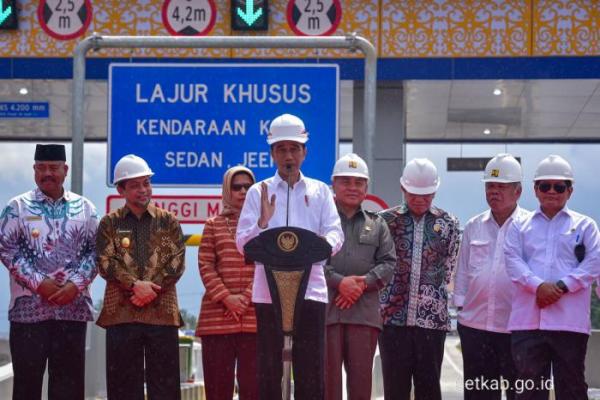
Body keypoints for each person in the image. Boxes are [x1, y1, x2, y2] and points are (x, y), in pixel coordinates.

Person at [236, 113, 344, 400]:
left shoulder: (321, 191)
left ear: (305, 152)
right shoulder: (258, 192)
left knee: (311, 368)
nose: (288, 155)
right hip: (267, 292)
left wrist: (323, 244)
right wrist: (262, 222)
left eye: (294, 148)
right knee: (268, 367)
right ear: (272, 153)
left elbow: (336, 234)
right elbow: (242, 244)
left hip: (312, 291)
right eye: (282, 149)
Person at [0, 144, 98, 400]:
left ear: (65, 170)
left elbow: (97, 252)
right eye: (41, 168)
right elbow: (7, 249)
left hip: (72, 311)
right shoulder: (17, 207)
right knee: (26, 385)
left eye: (53, 168)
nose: (47, 173)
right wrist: (37, 283)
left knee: (69, 385)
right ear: (34, 170)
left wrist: (75, 285)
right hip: (28, 313)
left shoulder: (85, 208)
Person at [504, 154, 600, 400]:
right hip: (528, 323)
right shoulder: (518, 225)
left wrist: (561, 286)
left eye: (559, 186)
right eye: (545, 185)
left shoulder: (586, 226)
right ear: (535, 189)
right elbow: (512, 261)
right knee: (528, 391)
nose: (552, 191)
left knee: (572, 388)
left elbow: (594, 262)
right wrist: (538, 287)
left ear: (570, 191)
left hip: (569, 323)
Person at [96, 154, 186, 400]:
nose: (143, 190)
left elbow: (175, 262)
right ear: (121, 189)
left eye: (146, 183)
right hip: (122, 314)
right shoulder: (109, 224)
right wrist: (135, 285)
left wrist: (149, 289)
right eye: (135, 185)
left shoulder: (168, 222)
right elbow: (105, 262)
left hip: (162, 315)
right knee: (123, 389)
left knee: (165, 389)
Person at [378, 158, 460, 400]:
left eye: (426, 195)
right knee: (394, 389)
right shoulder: (385, 221)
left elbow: (450, 267)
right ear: (403, 189)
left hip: (431, 322)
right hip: (392, 320)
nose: (420, 200)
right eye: (414, 194)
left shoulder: (449, 224)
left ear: (435, 191)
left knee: (429, 389)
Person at [454, 154, 530, 400]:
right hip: (475, 329)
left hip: (515, 330)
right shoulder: (474, 226)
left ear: (517, 192)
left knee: (519, 394)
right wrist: (461, 308)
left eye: (501, 186)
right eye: (490, 186)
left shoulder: (530, 227)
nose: (494, 192)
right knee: (479, 395)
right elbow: (463, 271)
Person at [324, 153, 396, 400]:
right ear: (334, 184)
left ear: (366, 188)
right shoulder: (321, 221)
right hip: (326, 315)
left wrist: (361, 284)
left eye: (358, 182)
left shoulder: (378, 225)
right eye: (346, 181)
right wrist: (339, 282)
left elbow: (388, 263)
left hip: (364, 317)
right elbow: (310, 261)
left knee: (361, 387)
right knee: (327, 386)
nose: (352, 188)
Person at [196, 166, 258, 400]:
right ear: (226, 191)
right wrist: (227, 298)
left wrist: (245, 298)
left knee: (254, 390)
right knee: (217, 390)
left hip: (255, 321)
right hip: (216, 320)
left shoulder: (265, 226)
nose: (242, 191)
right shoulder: (213, 225)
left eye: (248, 187)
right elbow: (205, 265)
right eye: (236, 187)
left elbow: (266, 267)